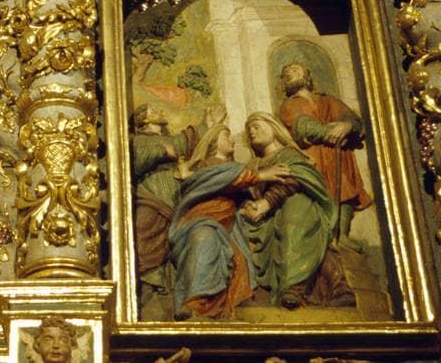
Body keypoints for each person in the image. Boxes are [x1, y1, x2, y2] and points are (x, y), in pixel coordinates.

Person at [169, 124, 290, 320]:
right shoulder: (205, 166)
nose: (232, 140)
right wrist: (260, 175)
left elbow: (239, 195)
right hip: (202, 219)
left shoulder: (235, 169)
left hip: (228, 224)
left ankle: (225, 308)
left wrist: (248, 206)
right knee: (204, 239)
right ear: (213, 141)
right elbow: (216, 180)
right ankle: (195, 302)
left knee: (238, 260)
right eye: (226, 136)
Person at [240, 112, 354, 310]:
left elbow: (297, 177)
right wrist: (249, 206)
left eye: (257, 126)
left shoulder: (289, 154)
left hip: (299, 206)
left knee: (294, 215)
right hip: (266, 217)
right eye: (249, 130)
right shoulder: (253, 164)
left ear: (273, 128)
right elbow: (247, 191)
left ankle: (295, 287)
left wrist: (267, 202)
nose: (252, 132)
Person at [278, 62, 372, 252]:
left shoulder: (327, 100)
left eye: (295, 70)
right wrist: (332, 132)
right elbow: (303, 127)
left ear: (307, 77)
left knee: (345, 189)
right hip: (314, 156)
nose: (289, 74)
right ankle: (324, 234)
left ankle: (342, 234)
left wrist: (346, 126)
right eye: (285, 74)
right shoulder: (290, 104)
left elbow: (353, 119)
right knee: (319, 191)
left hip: (338, 155)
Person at [132, 103, 225, 292]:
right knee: (143, 229)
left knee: (170, 238)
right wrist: (161, 151)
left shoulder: (169, 139)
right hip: (151, 192)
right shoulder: (139, 140)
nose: (160, 111)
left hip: (175, 194)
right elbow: (136, 162)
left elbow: (185, 142)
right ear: (144, 119)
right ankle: (144, 281)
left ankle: (163, 282)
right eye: (154, 110)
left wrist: (207, 124)